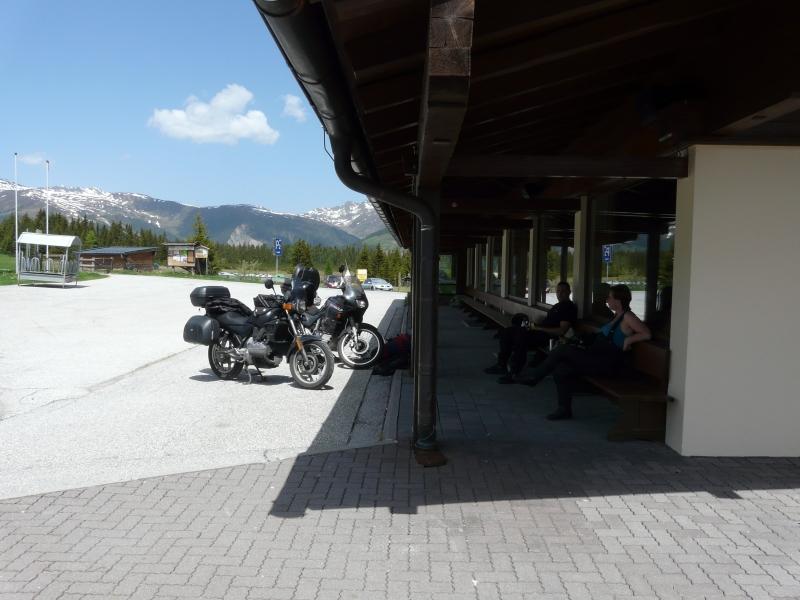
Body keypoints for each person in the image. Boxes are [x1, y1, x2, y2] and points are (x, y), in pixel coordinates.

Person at [520, 284, 651, 420]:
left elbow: (646, 333)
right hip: (596, 357)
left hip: (607, 364)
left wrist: (628, 340)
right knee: (561, 368)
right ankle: (564, 409)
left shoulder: (628, 316)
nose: (607, 300)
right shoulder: (616, 316)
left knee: (564, 350)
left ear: (618, 302)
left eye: (610, 298)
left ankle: (534, 377)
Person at [484, 281, 577, 384]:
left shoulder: (569, 308)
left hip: (549, 337)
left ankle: (515, 371)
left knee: (521, 337)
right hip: (539, 332)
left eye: (563, 291)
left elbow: (561, 331)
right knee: (508, 332)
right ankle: (501, 365)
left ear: (569, 292)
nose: (560, 294)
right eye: (558, 291)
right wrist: (534, 327)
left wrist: (539, 328)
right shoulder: (558, 305)